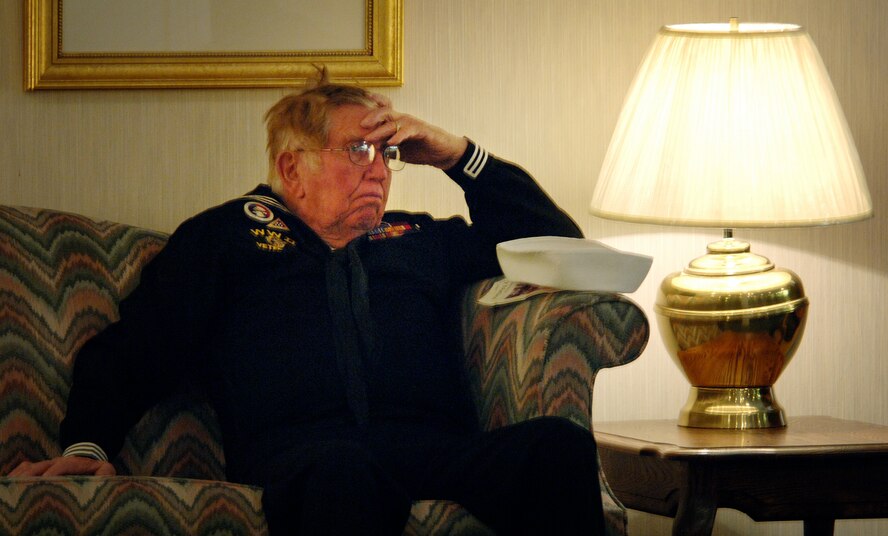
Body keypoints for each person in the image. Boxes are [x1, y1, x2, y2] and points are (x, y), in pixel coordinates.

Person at [10, 70, 606, 534]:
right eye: (357, 150)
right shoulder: (228, 237)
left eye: (387, 153)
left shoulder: (421, 238)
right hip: (303, 457)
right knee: (344, 474)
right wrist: (87, 446)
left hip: (434, 448)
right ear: (293, 169)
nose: (379, 169)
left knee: (558, 448)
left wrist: (458, 156)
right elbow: (134, 348)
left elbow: (557, 247)